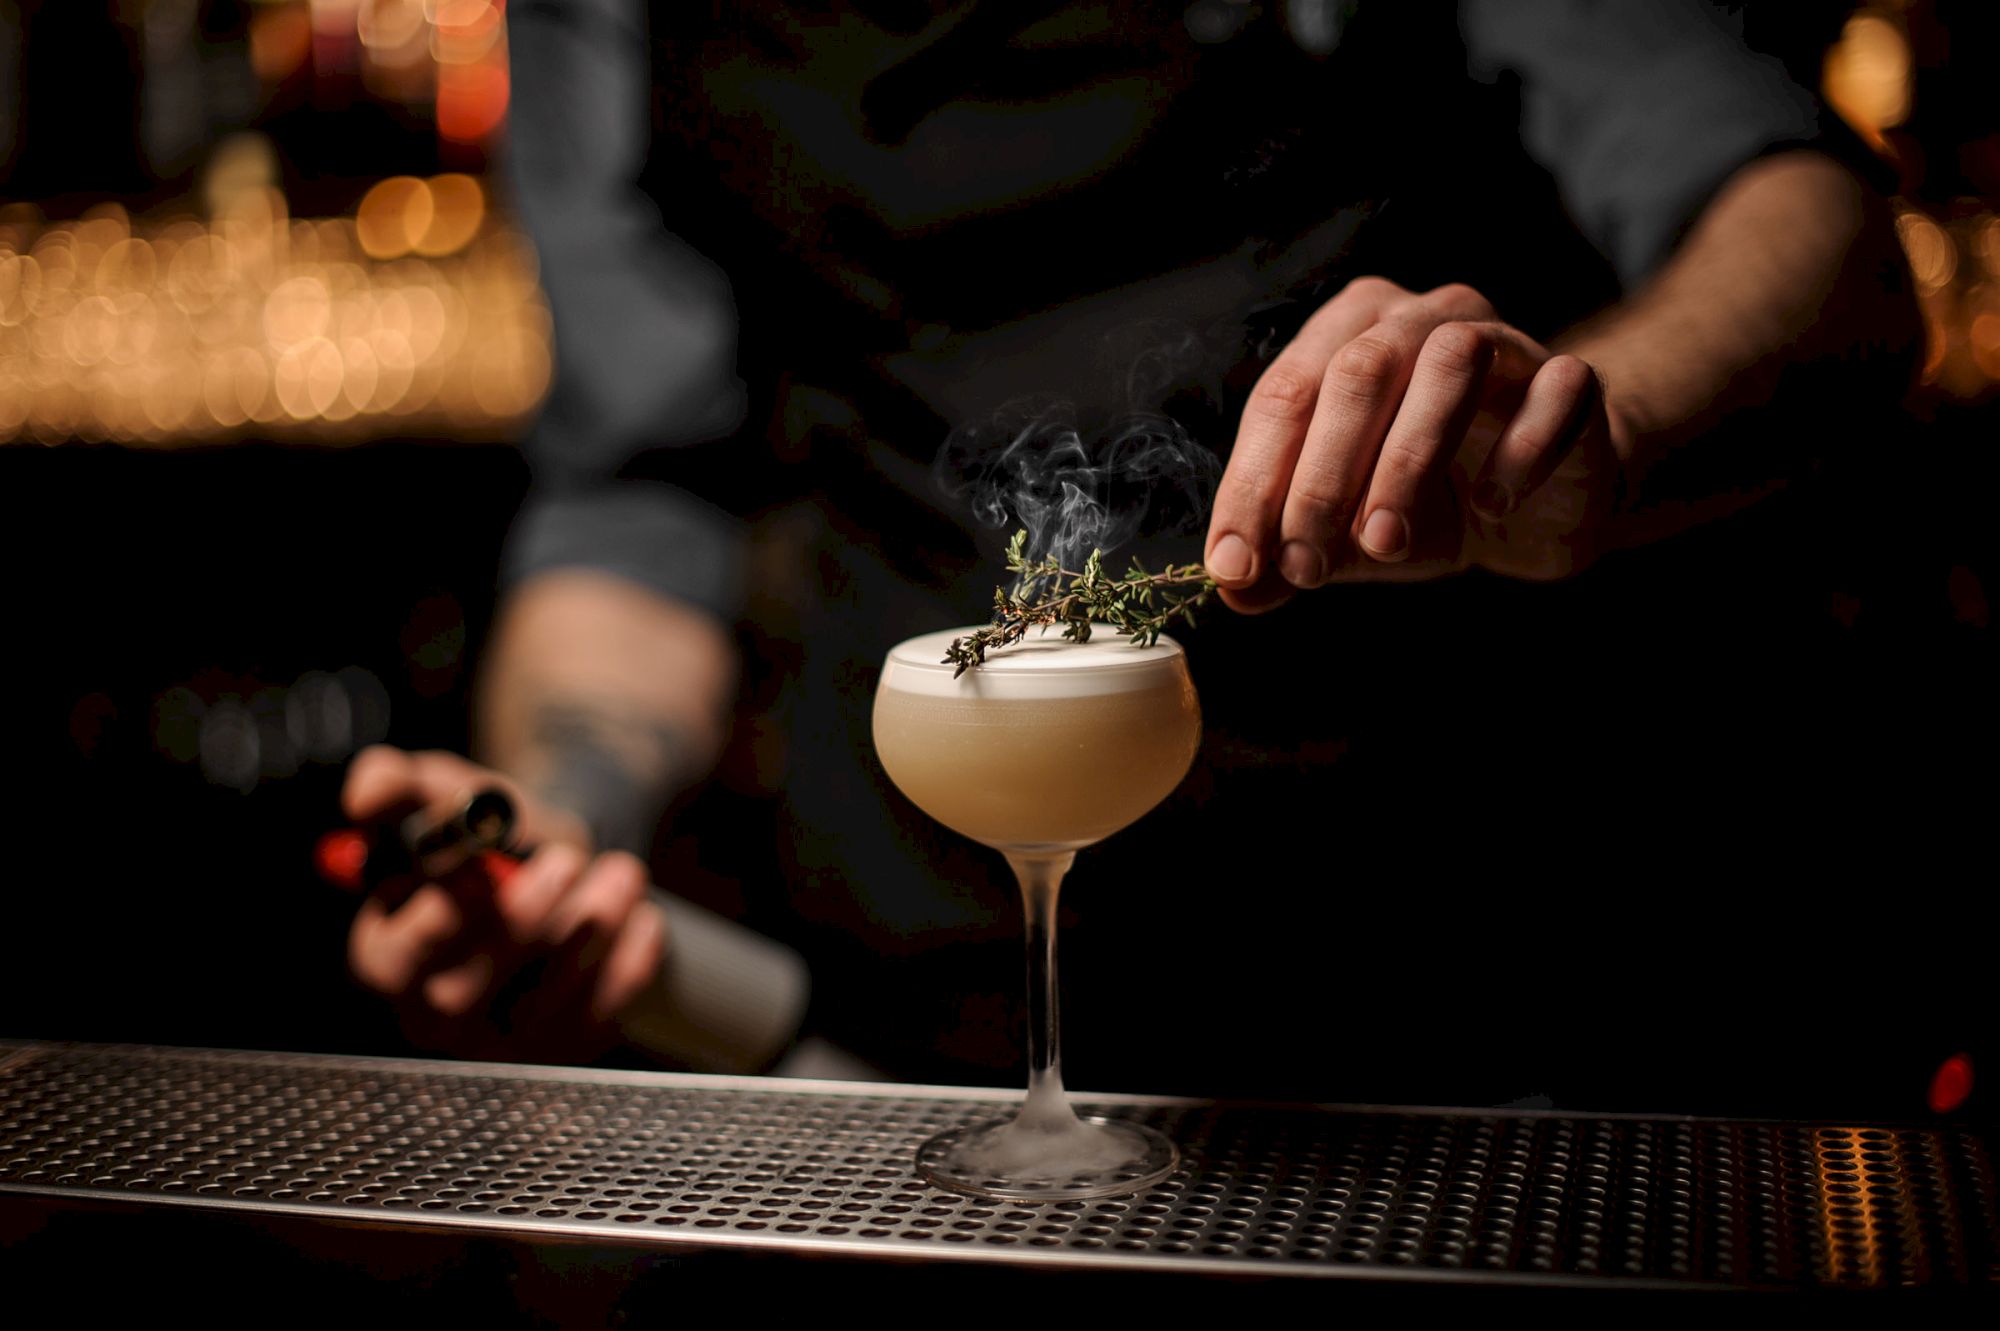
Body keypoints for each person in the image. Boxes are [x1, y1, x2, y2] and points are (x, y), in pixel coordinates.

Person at [339, 2, 1924, 1109]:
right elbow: (646, 495)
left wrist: (1597, 430)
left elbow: (1822, 245)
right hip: (909, 1012)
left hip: (1475, 980)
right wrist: (562, 830)